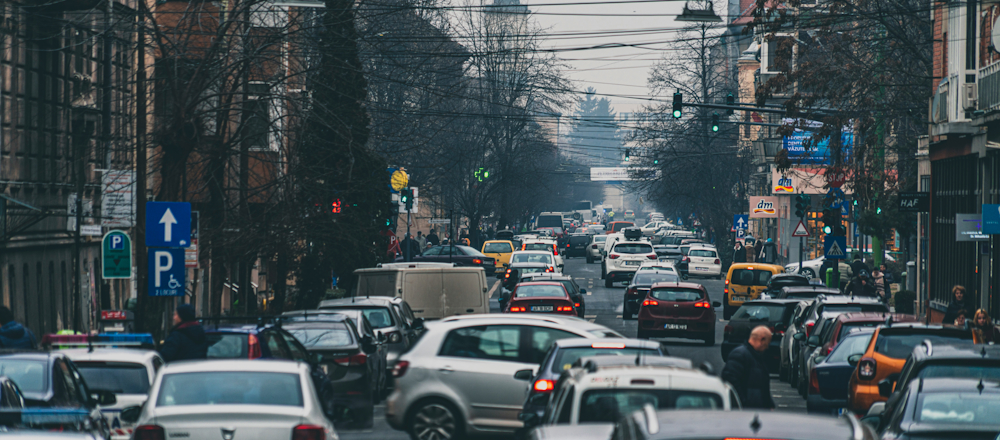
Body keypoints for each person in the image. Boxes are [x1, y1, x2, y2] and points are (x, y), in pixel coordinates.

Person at [721, 326, 775, 409]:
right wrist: (743, 403)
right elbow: (730, 381)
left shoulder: (757, 357)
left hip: (754, 410)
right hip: (746, 411)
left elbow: (763, 388)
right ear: (762, 339)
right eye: (767, 343)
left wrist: (769, 404)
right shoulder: (740, 355)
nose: (767, 347)